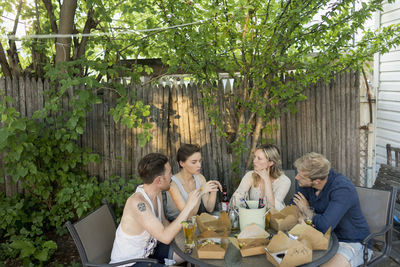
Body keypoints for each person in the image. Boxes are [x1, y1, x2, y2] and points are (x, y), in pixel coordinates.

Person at [110, 153, 202, 266]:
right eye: (169, 173)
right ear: (159, 180)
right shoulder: (138, 204)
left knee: (192, 251)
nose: (172, 176)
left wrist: (187, 235)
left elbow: (164, 223)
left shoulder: (156, 194)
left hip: (150, 253)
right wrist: (188, 206)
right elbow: (166, 237)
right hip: (130, 263)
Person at [292, 152, 371, 267]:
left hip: (351, 241)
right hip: (322, 238)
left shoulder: (342, 189)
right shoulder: (307, 185)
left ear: (317, 181)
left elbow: (325, 226)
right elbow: (293, 205)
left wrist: (306, 210)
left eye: (301, 176)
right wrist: (303, 215)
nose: (296, 177)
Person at [164, 144, 222, 221]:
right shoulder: (172, 184)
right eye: (194, 162)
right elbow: (188, 216)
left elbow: (209, 208)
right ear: (182, 163)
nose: (199, 165)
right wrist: (200, 192)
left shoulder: (200, 178)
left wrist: (213, 189)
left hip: (191, 224)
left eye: (200, 161)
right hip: (174, 224)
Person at [231, 144, 291, 211]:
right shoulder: (250, 175)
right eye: (255, 157)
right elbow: (235, 200)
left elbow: (273, 208)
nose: (254, 161)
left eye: (259, 158)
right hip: (252, 218)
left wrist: (267, 180)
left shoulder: (284, 181)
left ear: (270, 163)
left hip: (274, 219)